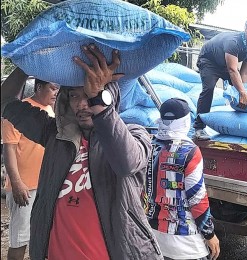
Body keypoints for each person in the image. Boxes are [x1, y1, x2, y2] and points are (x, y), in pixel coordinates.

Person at [1, 44, 163, 260]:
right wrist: (27, 63)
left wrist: (99, 100)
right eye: (74, 96)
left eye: (91, 95)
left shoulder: (136, 134)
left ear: (109, 97)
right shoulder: (54, 135)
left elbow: (126, 163)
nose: (82, 104)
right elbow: (5, 102)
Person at [144, 98, 220, 260]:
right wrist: (209, 234)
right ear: (185, 121)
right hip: (185, 242)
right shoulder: (190, 151)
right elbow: (197, 198)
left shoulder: (149, 146)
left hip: (154, 236)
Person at [2, 79, 59, 260]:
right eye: (52, 88)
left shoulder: (50, 111)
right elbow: (9, 148)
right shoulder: (21, 111)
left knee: (40, 235)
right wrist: (17, 183)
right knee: (20, 239)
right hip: (24, 187)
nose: (55, 93)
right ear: (38, 87)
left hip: (43, 186)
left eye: (57, 89)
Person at [193, 15, 247, 140]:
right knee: (209, 88)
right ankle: (199, 128)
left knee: (241, 91)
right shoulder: (234, 42)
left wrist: (244, 93)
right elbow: (233, 70)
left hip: (225, 65)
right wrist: (242, 91)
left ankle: (241, 123)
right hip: (209, 61)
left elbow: (243, 74)